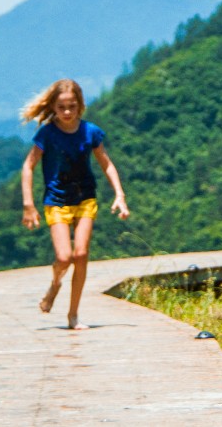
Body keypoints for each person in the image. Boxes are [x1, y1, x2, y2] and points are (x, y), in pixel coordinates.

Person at [20, 78, 129, 329]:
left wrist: (119, 195)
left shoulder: (90, 132)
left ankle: (73, 315)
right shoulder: (47, 134)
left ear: (80, 105)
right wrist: (28, 204)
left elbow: (106, 164)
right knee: (64, 256)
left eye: (72, 106)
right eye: (61, 107)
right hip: (56, 200)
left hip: (85, 198)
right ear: (54, 108)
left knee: (80, 254)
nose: (67, 112)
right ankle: (55, 284)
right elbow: (29, 166)